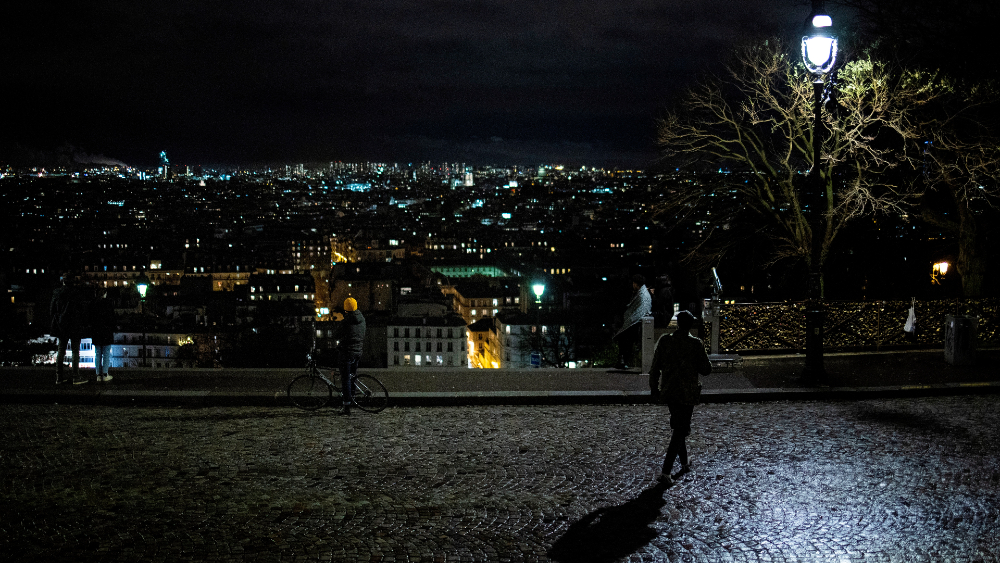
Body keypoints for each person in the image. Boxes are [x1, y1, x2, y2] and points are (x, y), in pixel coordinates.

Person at [648, 310, 712, 486]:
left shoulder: (665, 341)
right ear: (690, 325)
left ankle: (684, 463)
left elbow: (655, 368)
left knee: (679, 427)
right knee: (680, 429)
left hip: (669, 391)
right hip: (688, 392)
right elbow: (707, 369)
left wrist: (654, 387)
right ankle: (666, 471)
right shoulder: (695, 344)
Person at [50, 274, 88, 384]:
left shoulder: (57, 293)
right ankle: (76, 376)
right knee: (75, 351)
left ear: (63, 281)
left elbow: (52, 311)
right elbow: (82, 310)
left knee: (61, 351)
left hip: (62, 325)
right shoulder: (77, 293)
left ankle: (59, 377)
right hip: (75, 325)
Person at [612, 274, 652, 370]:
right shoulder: (642, 293)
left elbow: (639, 310)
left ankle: (623, 361)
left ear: (635, 283)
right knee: (626, 341)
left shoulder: (642, 295)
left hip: (635, 323)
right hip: (635, 322)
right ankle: (624, 360)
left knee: (625, 341)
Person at [336, 297, 366, 415]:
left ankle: (347, 406)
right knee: (353, 376)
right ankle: (352, 399)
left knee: (346, 379)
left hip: (347, 352)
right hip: (358, 351)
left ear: (345, 309)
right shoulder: (362, 319)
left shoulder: (346, 321)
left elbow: (336, 334)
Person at [88, 288, 116, 382]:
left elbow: (90, 318)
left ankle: (98, 375)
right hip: (106, 331)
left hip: (96, 331)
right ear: (105, 294)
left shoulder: (92, 303)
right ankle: (105, 373)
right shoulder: (108, 303)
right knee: (106, 353)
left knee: (98, 353)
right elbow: (112, 318)